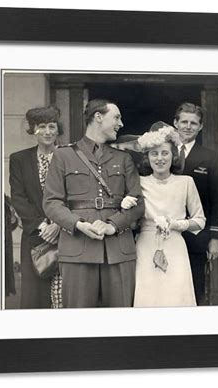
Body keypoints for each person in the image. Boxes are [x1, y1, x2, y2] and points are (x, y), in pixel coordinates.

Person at [43, 99, 144, 308]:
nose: (121, 123)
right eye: (116, 117)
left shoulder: (123, 158)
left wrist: (112, 225)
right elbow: (52, 202)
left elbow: (138, 203)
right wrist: (78, 224)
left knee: (122, 316)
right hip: (77, 247)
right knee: (79, 319)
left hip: (118, 249)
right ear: (98, 117)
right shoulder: (63, 155)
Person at [122, 123, 206, 307]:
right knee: (148, 298)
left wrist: (175, 224)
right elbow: (132, 222)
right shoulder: (139, 182)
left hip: (175, 246)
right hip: (146, 246)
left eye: (164, 153)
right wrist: (125, 206)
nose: (159, 158)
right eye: (154, 153)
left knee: (175, 298)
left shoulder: (186, 182)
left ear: (173, 156)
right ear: (147, 157)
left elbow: (200, 221)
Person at [9, 105, 63, 309]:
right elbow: (19, 198)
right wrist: (43, 227)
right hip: (35, 237)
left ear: (58, 129)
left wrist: (58, 224)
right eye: (42, 127)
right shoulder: (19, 159)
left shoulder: (69, 155)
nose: (48, 132)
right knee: (35, 298)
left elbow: (76, 195)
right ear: (33, 130)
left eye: (52, 126)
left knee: (66, 292)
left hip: (66, 234)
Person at [172, 103, 218, 304]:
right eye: (184, 121)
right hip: (167, 234)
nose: (188, 126)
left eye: (193, 123)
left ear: (200, 127)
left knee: (195, 289)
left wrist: (215, 237)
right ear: (175, 123)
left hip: (197, 236)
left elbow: (217, 199)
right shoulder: (163, 153)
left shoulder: (210, 157)